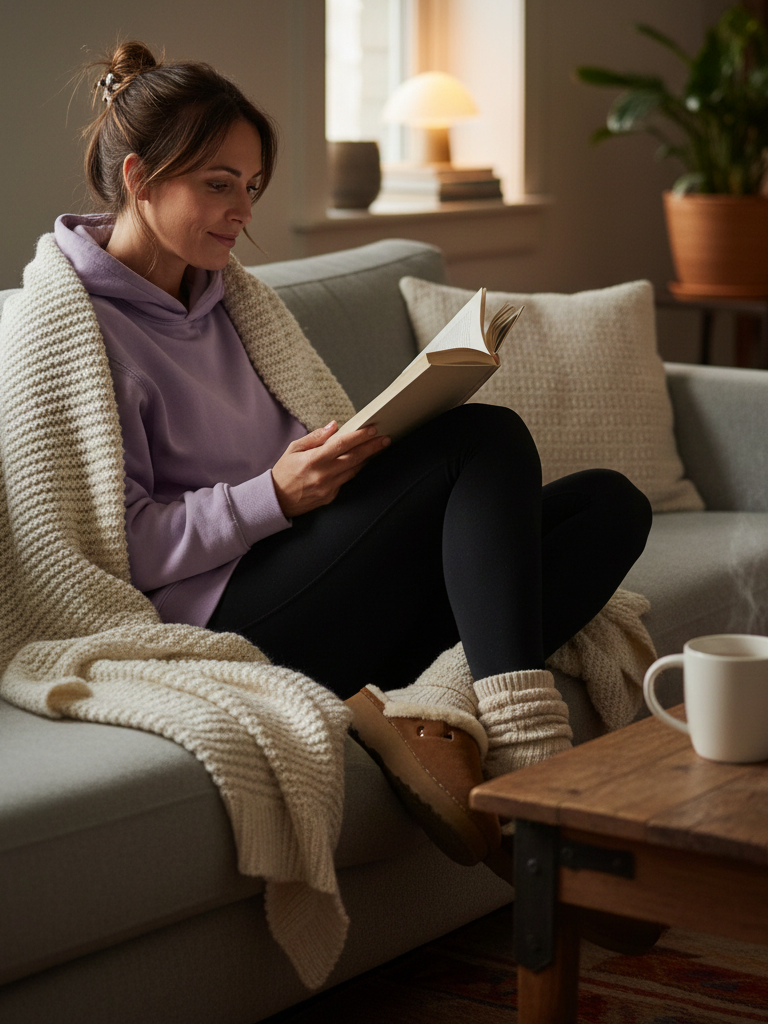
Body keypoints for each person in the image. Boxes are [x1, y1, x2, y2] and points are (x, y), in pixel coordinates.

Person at [46, 43, 652, 882]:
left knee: (610, 506)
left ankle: (434, 701)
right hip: (221, 620)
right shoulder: (69, 330)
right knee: (485, 438)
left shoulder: (227, 300)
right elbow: (112, 553)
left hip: (307, 572)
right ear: (143, 177)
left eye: (250, 188)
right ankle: (530, 762)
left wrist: (346, 457)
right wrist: (274, 496)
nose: (239, 212)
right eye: (217, 184)